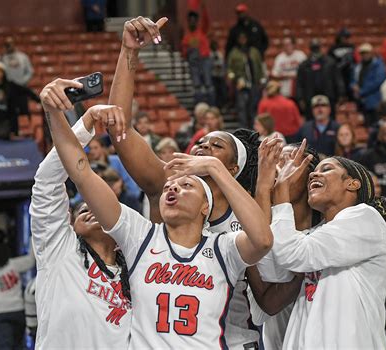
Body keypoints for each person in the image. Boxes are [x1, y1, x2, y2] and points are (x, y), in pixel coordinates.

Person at [39, 76, 273, 348]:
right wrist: (54, 113)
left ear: (205, 207)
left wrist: (214, 168)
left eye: (186, 185)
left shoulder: (224, 247)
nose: (172, 188)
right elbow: (80, 172)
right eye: (169, 187)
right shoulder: (139, 235)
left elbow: (263, 240)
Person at [103, 16, 269, 348]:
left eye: (215, 145)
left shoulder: (249, 213)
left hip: (234, 341)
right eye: (200, 143)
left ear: (233, 167)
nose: (202, 146)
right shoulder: (168, 184)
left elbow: (268, 274)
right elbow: (118, 129)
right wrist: (128, 53)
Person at [269, 144, 386, 349]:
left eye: (326, 169)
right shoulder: (315, 235)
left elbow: (294, 254)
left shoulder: (365, 219)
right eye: (313, 173)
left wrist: (281, 191)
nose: (314, 175)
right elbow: (277, 262)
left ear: (353, 184)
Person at [29, 113, 132, 348]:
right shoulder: (59, 252)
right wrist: (86, 124)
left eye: (99, 206)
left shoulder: (136, 271)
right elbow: (47, 183)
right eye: (82, 208)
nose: (88, 208)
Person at [248, 141, 321, 350]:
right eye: (275, 163)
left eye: (290, 162)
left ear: (313, 178)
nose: (280, 169)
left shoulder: (328, 233)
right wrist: (263, 187)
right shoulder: (250, 234)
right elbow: (268, 303)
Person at [0, 62, 40, 140]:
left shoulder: (10, 85)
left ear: (3, 73)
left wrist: (39, 100)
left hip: (5, 122)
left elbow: (26, 91)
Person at [296, 38, 345, 119]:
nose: (315, 51)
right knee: (311, 122)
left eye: (316, 48)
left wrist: (341, 94)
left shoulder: (330, 62)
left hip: (328, 96)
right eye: (313, 48)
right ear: (310, 49)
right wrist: (300, 98)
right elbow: (299, 83)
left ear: (320, 48)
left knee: (330, 121)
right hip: (310, 98)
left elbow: (337, 79)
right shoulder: (304, 65)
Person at [227, 31, 263, 128]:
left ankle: (254, 129)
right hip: (241, 85)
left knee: (253, 108)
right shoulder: (234, 53)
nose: (242, 40)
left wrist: (261, 79)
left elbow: (260, 66)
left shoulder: (254, 51)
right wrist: (235, 79)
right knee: (242, 108)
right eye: (240, 38)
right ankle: (243, 129)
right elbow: (229, 70)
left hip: (254, 84)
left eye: (244, 38)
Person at [181, 10, 215, 105]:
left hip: (205, 60)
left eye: (194, 20)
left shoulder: (202, 30)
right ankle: (199, 107)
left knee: (208, 84)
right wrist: (190, 50)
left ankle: (212, 106)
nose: (192, 22)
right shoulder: (186, 36)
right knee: (197, 85)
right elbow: (184, 52)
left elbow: (206, 20)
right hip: (194, 63)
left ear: (197, 21)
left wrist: (203, 7)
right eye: (190, 20)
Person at [351, 43, 386, 126]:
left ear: (371, 53)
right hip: (361, 101)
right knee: (366, 125)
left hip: (374, 100)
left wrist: (361, 91)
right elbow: (352, 79)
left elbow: (378, 81)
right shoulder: (358, 66)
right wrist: (353, 86)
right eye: (363, 53)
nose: (365, 55)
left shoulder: (378, 65)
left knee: (376, 124)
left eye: (367, 53)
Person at [328, 28, 355, 99]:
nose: (346, 39)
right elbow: (329, 62)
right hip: (338, 74)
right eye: (344, 37)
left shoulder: (352, 47)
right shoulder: (333, 48)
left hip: (350, 74)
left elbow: (356, 60)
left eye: (347, 37)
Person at [210, 39, 227, 108]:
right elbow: (210, 65)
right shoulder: (209, 54)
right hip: (213, 76)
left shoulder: (219, 54)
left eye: (215, 45)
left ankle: (222, 105)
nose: (214, 47)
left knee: (222, 91)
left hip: (220, 75)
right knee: (215, 92)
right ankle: (215, 105)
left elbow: (222, 64)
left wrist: (217, 65)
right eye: (213, 45)